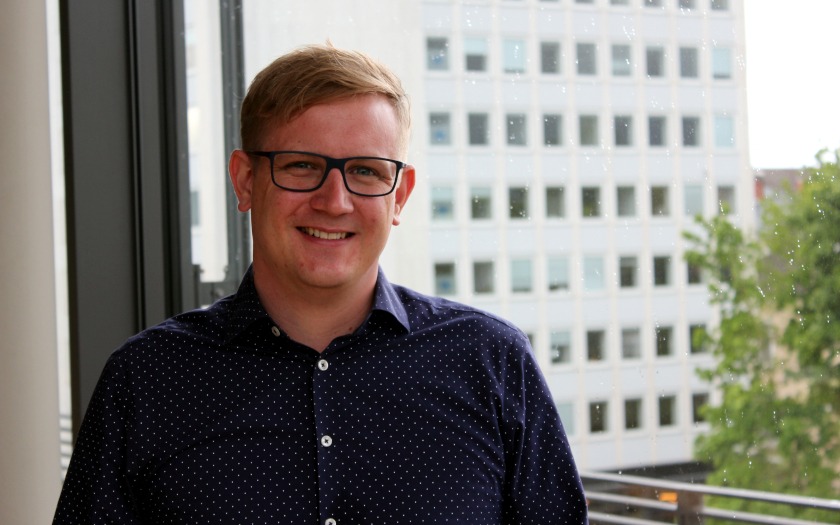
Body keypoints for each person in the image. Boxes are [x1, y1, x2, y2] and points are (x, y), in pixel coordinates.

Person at [54, 43, 588, 524]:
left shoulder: (492, 363)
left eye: (367, 172)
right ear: (244, 181)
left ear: (399, 196)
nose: (334, 201)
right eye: (302, 166)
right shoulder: (146, 380)